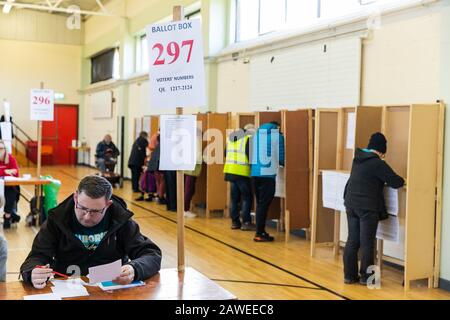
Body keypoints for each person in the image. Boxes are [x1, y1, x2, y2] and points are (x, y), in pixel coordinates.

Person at [20, 175, 162, 289]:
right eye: (82, 208)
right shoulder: (57, 219)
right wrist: (32, 272)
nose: (87, 216)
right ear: (76, 198)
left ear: (108, 205)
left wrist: (134, 269)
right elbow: (37, 257)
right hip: (68, 289)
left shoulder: (120, 220)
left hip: (112, 290)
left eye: (95, 211)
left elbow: (152, 254)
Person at [343, 132, 404, 285]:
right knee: (367, 243)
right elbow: (396, 182)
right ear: (381, 151)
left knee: (352, 241)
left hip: (350, 204)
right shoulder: (377, 163)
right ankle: (368, 279)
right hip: (367, 207)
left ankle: (349, 276)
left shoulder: (357, 159)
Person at [250, 122, 285, 242]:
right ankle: (259, 233)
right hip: (267, 175)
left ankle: (260, 231)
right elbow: (281, 157)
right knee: (263, 205)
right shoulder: (277, 136)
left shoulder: (256, 135)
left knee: (260, 204)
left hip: (254, 173)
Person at [224, 124, 256, 231]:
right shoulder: (248, 139)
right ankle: (246, 222)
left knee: (235, 199)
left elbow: (225, 153)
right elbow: (251, 157)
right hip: (242, 172)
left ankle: (235, 222)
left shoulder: (232, 138)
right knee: (247, 197)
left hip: (230, 171)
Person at [0, 140, 21, 229]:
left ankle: (7, 216)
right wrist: (6, 171)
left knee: (11, 192)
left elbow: (16, 173)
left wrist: (2, 172)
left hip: (9, 186)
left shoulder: (10, 159)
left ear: (5, 149)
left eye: (1, 148)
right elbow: (10, 171)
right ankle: (11, 214)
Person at [146, 133, 166, 205]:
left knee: (158, 182)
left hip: (154, 166)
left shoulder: (157, 146)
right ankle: (161, 197)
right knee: (162, 181)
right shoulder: (163, 146)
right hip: (159, 166)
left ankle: (159, 195)